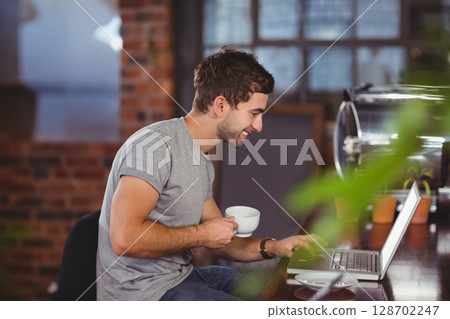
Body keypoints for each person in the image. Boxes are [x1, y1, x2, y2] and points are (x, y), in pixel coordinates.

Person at [96, 47, 325, 301]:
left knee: (281, 295)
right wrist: (202, 235)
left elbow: (221, 237)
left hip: (182, 277)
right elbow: (124, 238)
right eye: (254, 114)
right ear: (221, 105)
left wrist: (275, 247)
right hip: (143, 294)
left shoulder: (201, 159)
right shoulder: (154, 146)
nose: (259, 126)